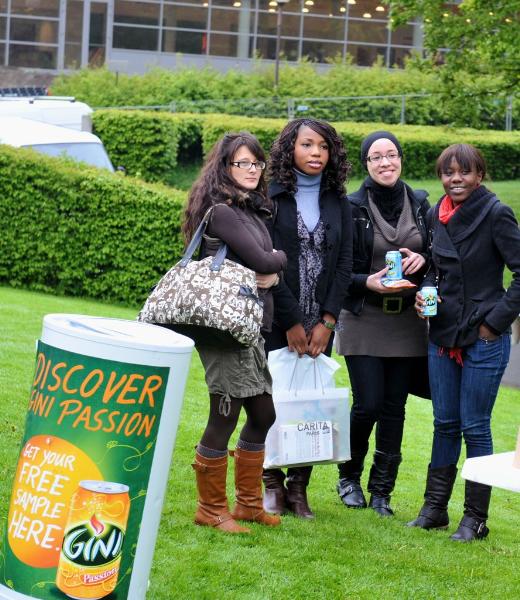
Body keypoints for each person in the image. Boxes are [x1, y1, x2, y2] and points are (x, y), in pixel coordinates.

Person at [408, 144, 520, 541]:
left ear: (479, 176)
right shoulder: (435, 214)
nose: (455, 179)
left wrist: (494, 323)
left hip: (483, 337)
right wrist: (424, 292)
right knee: (444, 423)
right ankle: (434, 509)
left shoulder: (495, 213)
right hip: (442, 334)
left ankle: (475, 518)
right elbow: (434, 267)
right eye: (448, 172)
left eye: (464, 172)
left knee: (474, 426)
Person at [182, 132, 287, 534]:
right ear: (224, 167)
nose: (252, 170)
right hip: (225, 330)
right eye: (242, 163)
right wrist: (279, 260)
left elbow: (267, 271)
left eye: (257, 163)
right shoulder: (222, 212)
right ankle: (210, 509)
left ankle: (248, 505)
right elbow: (265, 260)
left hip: (251, 326)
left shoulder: (251, 211)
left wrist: (272, 271)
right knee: (223, 415)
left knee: (263, 414)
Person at [335, 131, 430, 516]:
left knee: (394, 408)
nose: (385, 162)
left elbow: (438, 256)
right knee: (368, 404)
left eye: (391, 154)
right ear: (366, 164)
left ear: (401, 158)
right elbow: (337, 270)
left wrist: (424, 261)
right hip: (363, 318)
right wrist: (366, 282)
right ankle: (348, 477)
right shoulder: (351, 207)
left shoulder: (420, 204)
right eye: (376, 157)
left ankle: (382, 492)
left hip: (407, 322)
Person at [262, 118, 353, 519]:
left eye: (323, 146)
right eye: (307, 144)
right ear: (290, 149)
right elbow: (266, 263)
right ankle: (271, 482)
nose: (316, 153)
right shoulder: (271, 197)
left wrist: (328, 321)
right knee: (271, 400)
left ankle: (298, 488)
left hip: (321, 322)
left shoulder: (338, 200)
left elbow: (345, 263)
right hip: (277, 316)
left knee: (311, 404)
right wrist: (292, 321)